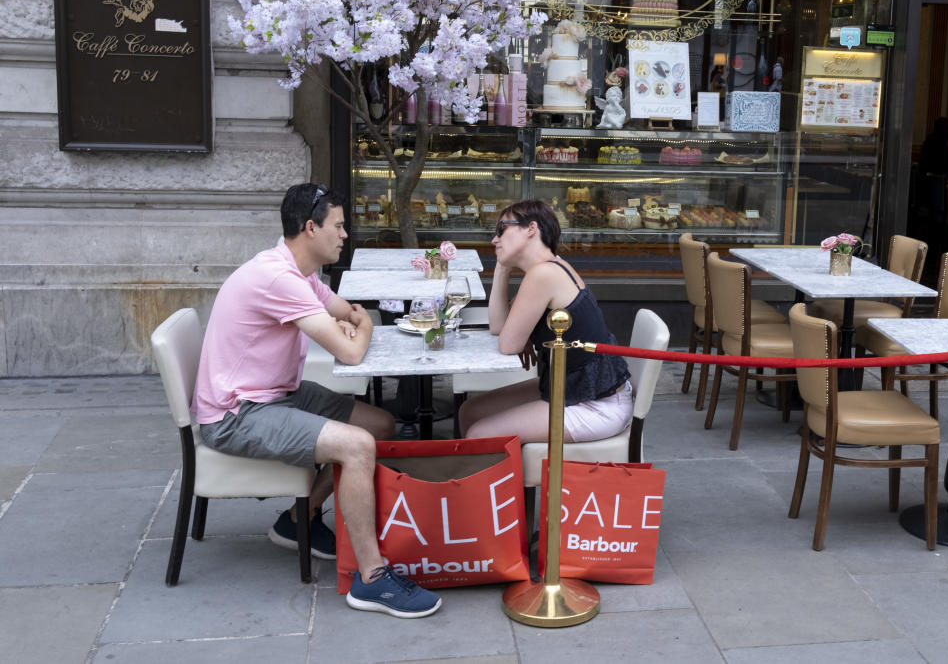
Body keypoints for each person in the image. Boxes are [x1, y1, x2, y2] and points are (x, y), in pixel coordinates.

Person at [192, 183, 441, 619]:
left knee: (379, 425)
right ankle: (372, 579)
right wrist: (358, 331)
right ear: (311, 228)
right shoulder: (278, 278)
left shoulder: (301, 273)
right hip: (238, 413)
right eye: (339, 226)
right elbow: (351, 346)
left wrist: (353, 325)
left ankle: (298, 518)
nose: (345, 234)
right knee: (358, 445)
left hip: (277, 394)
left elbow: (347, 312)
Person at [458, 200, 632, 443]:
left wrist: (521, 337)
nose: (494, 241)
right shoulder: (548, 268)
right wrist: (501, 268)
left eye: (501, 230)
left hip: (596, 405)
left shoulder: (544, 274)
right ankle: (498, 479)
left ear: (531, 228)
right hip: (570, 387)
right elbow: (499, 327)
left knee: (480, 433)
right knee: (470, 411)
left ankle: (499, 481)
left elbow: (508, 345)